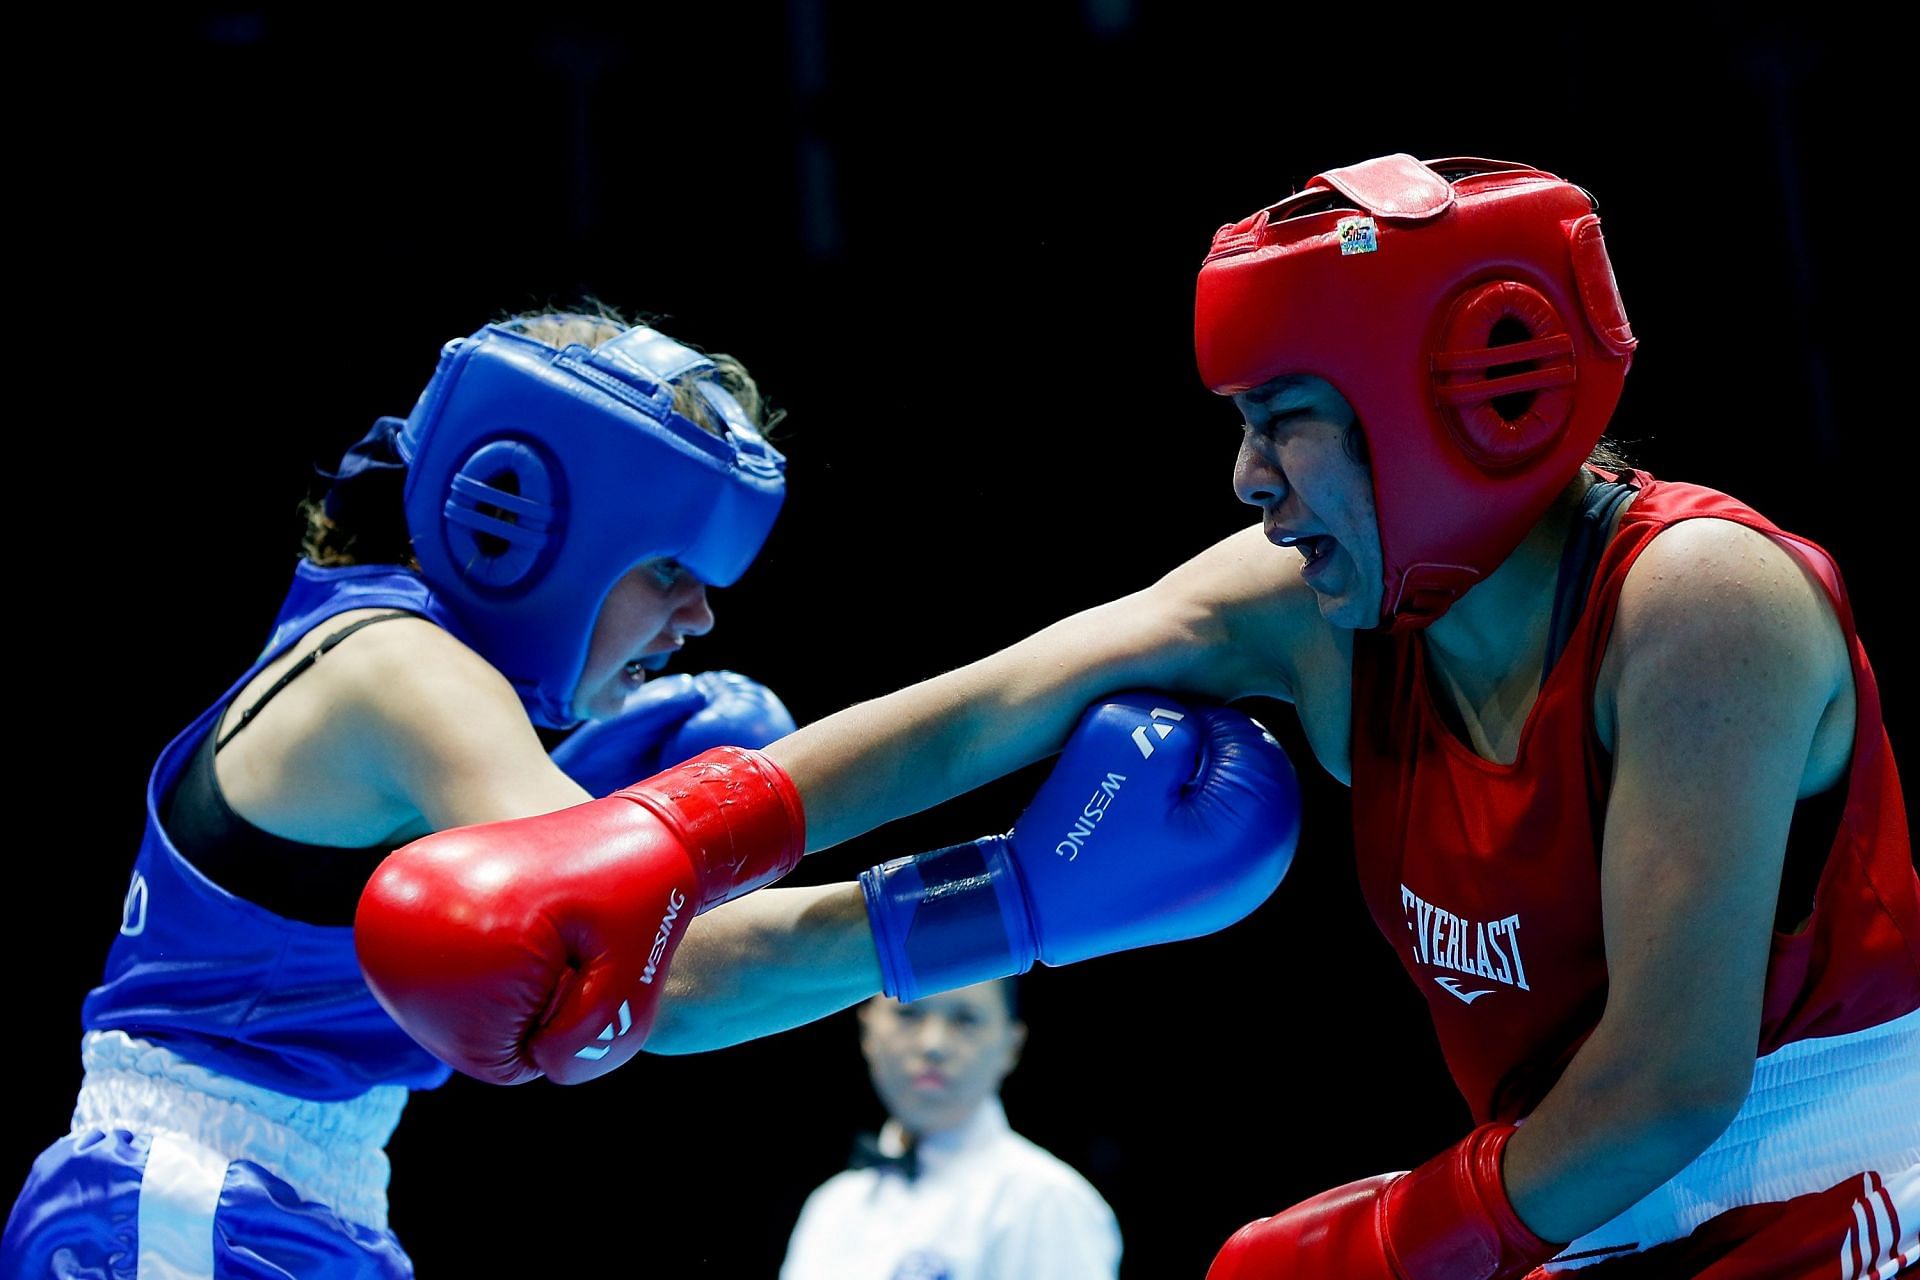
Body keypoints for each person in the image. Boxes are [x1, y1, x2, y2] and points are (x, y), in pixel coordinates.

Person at [359, 155, 1919, 1279]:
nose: (1251, 482)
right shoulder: (1328, 618)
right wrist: (667, 840)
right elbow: (988, 709)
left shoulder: (1700, 604)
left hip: (1837, 1189)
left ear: (1464, 395)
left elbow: (1673, 1085)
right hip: (1584, 1212)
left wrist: (1391, 1238)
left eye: (1283, 423)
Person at [0, 309, 819, 1277]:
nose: (700, 615)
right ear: (524, 521)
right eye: (669, 568)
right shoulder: (399, 668)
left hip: (293, 1198)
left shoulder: (419, 684)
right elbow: (663, 963)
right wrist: (994, 899)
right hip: (188, 1189)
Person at [781, 979, 1122, 1280]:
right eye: (907, 1013)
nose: (933, 1044)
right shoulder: (831, 1207)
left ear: (1011, 1046)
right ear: (867, 1030)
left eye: (966, 1019)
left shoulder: (1043, 1200)